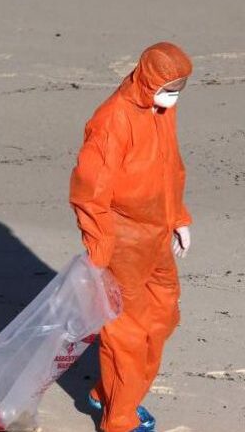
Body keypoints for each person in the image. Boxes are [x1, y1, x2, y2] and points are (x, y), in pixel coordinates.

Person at [70, 42, 193, 432]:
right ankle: (118, 419)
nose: (174, 95)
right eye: (169, 86)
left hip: (156, 236)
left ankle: (109, 393)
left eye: (180, 87)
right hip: (122, 241)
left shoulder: (161, 113)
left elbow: (170, 168)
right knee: (126, 331)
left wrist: (178, 218)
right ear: (149, 78)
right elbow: (90, 192)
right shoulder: (113, 120)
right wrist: (100, 250)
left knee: (164, 315)